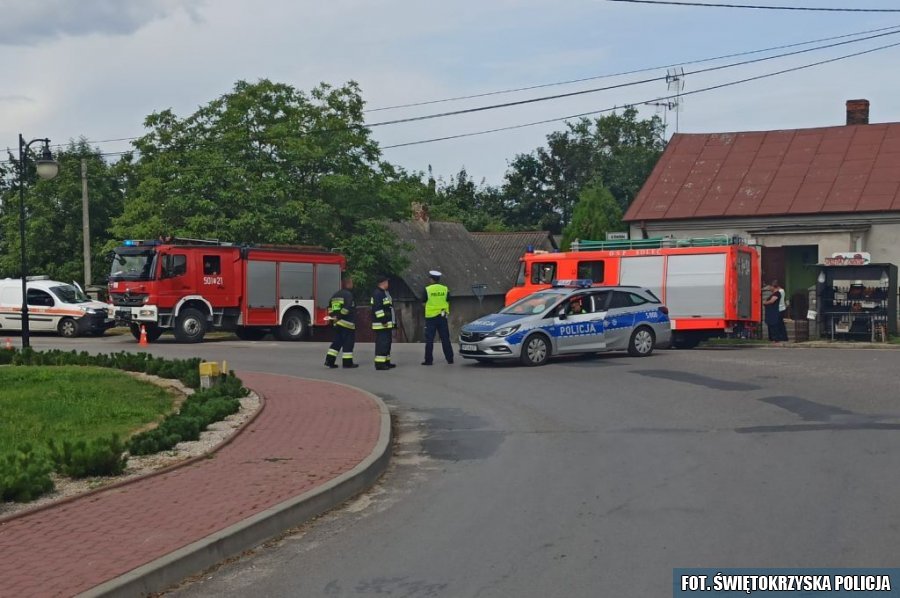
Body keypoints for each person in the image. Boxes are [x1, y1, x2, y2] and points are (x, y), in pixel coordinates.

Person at [324, 273, 359, 368]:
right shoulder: (348, 295)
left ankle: (329, 361)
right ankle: (347, 363)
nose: (353, 284)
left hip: (337, 323)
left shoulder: (336, 295)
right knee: (348, 343)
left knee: (337, 342)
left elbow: (330, 308)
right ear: (348, 284)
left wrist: (334, 317)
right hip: (347, 324)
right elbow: (347, 309)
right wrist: (339, 316)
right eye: (351, 282)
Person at [421, 270, 454, 365]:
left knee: (429, 339)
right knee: (445, 338)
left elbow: (423, 302)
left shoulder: (427, 289)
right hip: (442, 316)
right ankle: (450, 359)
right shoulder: (445, 289)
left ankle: (428, 360)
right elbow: (448, 300)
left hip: (431, 318)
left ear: (431, 279)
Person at [371, 275, 396, 371]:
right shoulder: (377, 294)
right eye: (387, 282)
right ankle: (380, 364)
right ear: (383, 283)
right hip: (381, 324)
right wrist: (383, 320)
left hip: (387, 324)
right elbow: (377, 309)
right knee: (382, 343)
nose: (388, 284)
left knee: (387, 343)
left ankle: (386, 361)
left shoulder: (384, 293)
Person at [763, 279, 787, 344]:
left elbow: (773, 300)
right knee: (779, 324)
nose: (770, 288)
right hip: (778, 309)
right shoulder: (777, 292)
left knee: (777, 324)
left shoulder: (780, 291)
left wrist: (766, 302)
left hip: (780, 309)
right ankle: (781, 337)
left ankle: (780, 337)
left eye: (771, 286)